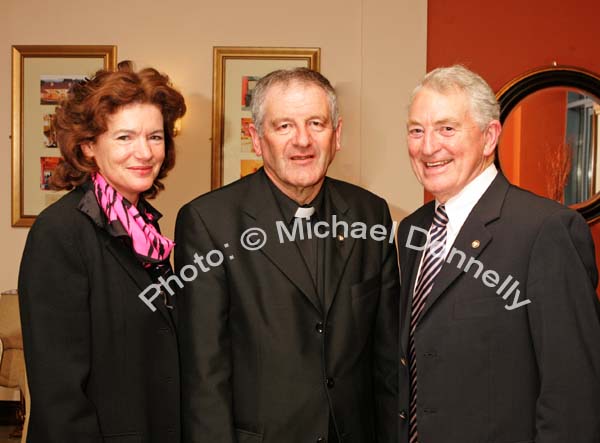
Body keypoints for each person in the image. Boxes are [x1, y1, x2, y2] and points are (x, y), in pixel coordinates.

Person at [175, 68, 399, 443]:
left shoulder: (369, 214)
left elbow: (388, 358)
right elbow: (204, 375)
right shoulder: (209, 222)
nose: (303, 141)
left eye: (316, 123)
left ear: (337, 134)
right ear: (256, 139)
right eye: (283, 126)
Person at [397, 64, 600, 443]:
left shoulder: (545, 230)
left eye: (447, 129)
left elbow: (573, 395)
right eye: (416, 130)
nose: (428, 147)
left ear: (489, 137)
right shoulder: (413, 230)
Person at [18, 61, 186, 443]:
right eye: (125, 137)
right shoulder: (60, 231)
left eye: (155, 137)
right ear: (89, 146)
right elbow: (59, 392)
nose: (144, 152)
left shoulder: (144, 228)